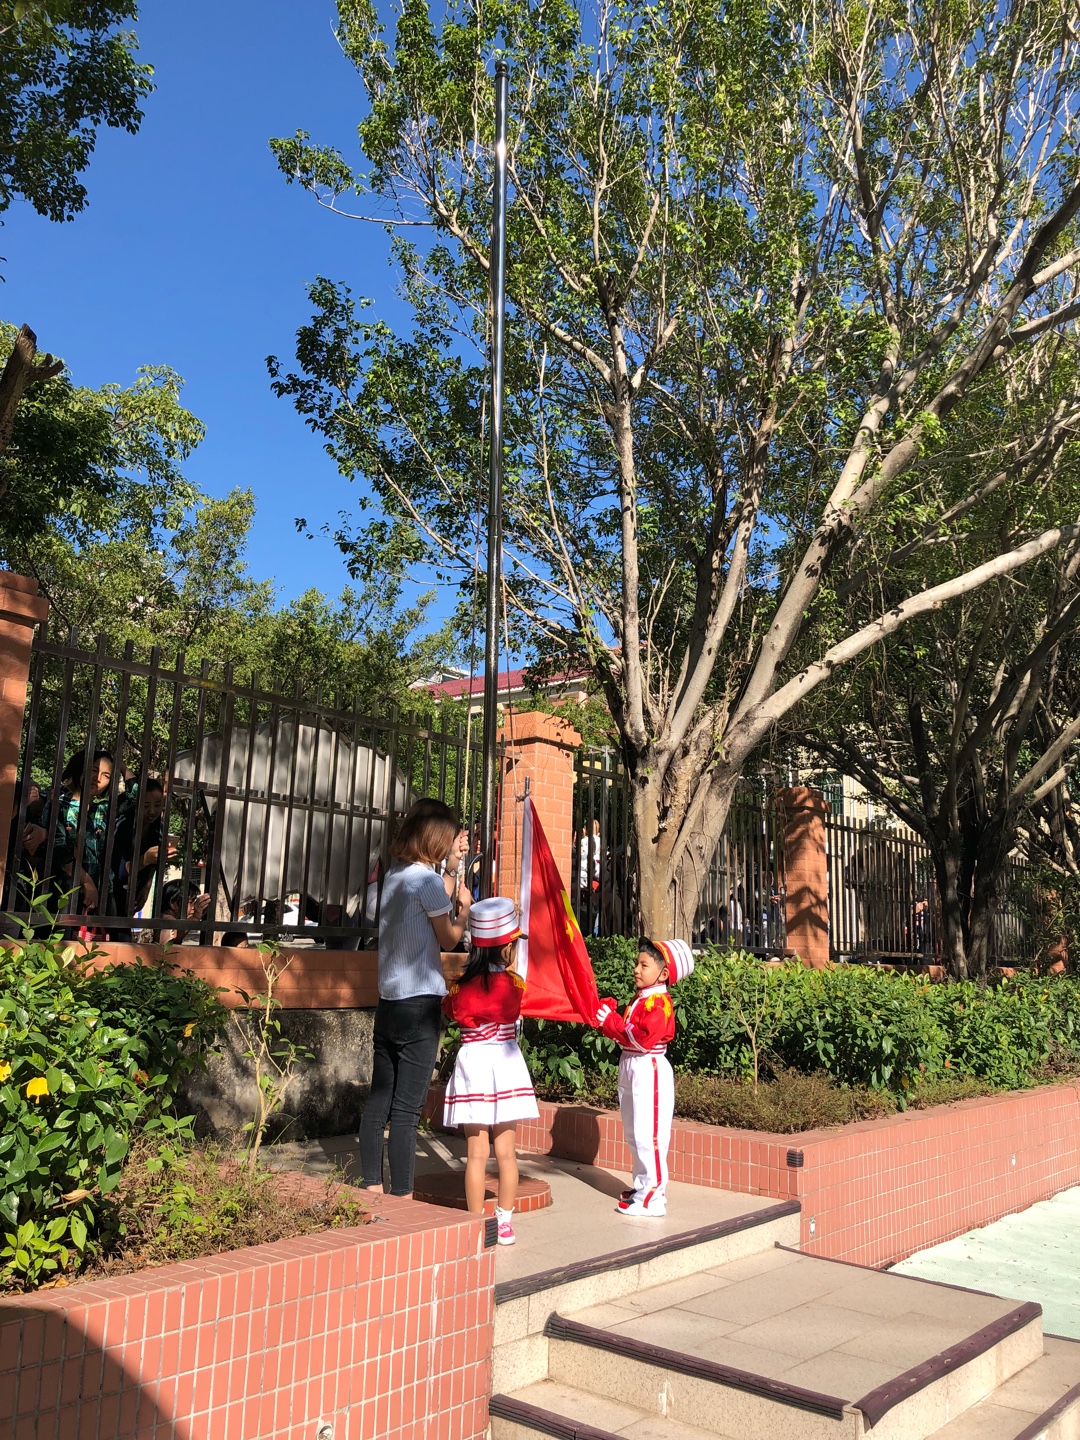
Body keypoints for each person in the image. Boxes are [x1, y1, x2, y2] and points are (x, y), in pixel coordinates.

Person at [358, 799, 473, 1197]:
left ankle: (370, 1188)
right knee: (406, 1112)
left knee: (378, 1104)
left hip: (389, 1001)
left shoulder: (396, 875)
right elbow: (449, 939)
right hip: (421, 1003)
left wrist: (452, 869)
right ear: (435, 838)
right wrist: (464, 911)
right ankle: (403, 1198)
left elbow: (434, 897)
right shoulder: (426, 881)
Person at [442, 896, 538, 1245]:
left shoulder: (459, 985)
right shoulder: (514, 984)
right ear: (505, 948)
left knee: (476, 1154)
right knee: (507, 1153)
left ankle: (475, 1224)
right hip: (505, 1064)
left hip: (474, 1066)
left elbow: (450, 1009)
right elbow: (515, 1009)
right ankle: (505, 1223)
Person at [594, 937, 695, 1217]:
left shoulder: (659, 1004)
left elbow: (641, 1038)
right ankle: (642, 1186)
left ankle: (653, 1196)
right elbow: (627, 1033)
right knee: (634, 1131)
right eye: (637, 963)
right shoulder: (643, 998)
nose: (636, 969)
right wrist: (610, 1020)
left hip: (648, 1066)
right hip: (633, 1064)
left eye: (644, 965)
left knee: (649, 1134)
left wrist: (610, 1021)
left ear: (663, 974)